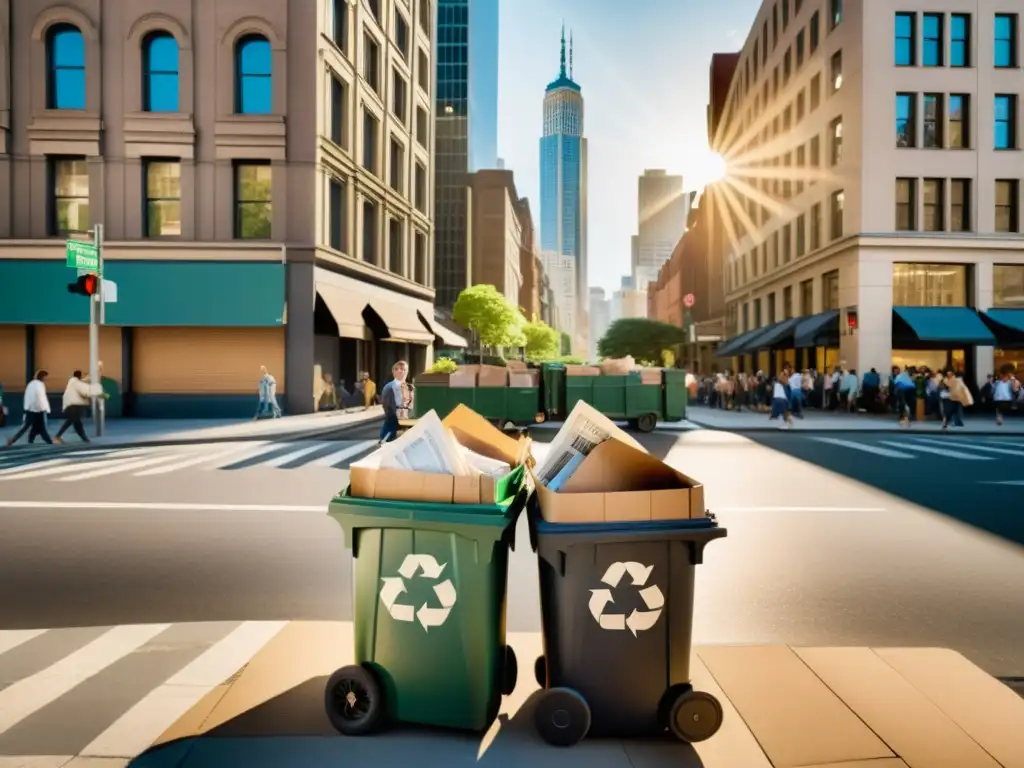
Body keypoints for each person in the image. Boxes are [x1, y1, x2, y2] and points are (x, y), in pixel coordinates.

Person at [5, 370, 53, 446]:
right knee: (41, 427)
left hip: (30, 409)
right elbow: (42, 397)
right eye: (45, 377)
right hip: (38, 409)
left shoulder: (30, 384)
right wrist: (46, 408)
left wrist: (27, 407)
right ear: (42, 377)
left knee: (28, 426)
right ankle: (49, 441)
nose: (45, 379)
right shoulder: (40, 385)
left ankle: (19, 440)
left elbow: (27, 396)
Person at [54, 370, 103, 444]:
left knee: (77, 424)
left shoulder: (72, 382)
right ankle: (58, 436)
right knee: (71, 421)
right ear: (79, 376)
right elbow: (86, 391)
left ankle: (85, 438)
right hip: (74, 406)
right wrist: (98, 391)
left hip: (70, 405)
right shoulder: (76, 383)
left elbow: (83, 385)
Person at [379, 360, 409, 444]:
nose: (401, 371)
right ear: (393, 372)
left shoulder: (407, 387)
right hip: (391, 430)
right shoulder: (390, 387)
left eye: (404, 369)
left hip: (401, 427)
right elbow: (388, 408)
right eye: (397, 369)